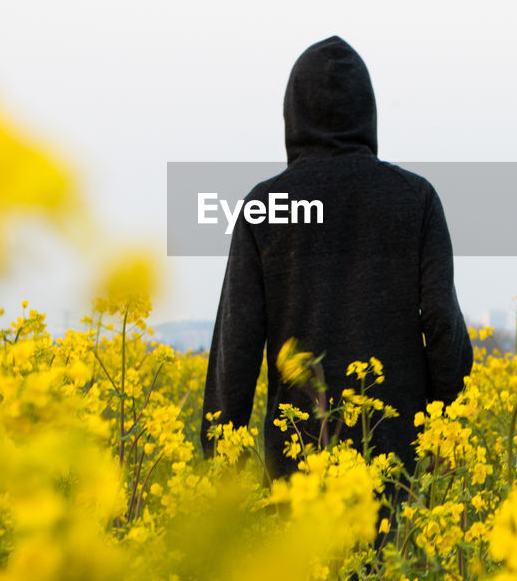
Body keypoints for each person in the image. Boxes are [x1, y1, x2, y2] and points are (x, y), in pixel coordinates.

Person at [199, 35, 474, 485]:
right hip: (399, 466)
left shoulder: (265, 206)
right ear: (368, 114)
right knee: (399, 558)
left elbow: (236, 344)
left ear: (292, 114)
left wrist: (221, 462)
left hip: (299, 470)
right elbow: (442, 319)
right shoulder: (416, 199)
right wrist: (446, 430)